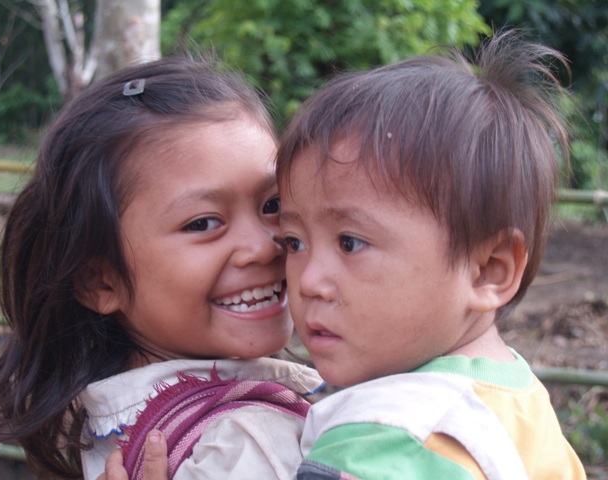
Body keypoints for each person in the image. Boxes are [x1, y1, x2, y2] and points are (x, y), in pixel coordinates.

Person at [104, 31, 587, 479]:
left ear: (489, 270)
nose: (307, 280)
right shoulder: (520, 402)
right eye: (294, 241)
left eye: (351, 243)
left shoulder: (385, 441)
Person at [0, 54, 323, 479]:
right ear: (101, 283)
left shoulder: (114, 424)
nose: (264, 247)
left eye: (273, 204)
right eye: (203, 223)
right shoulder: (251, 439)